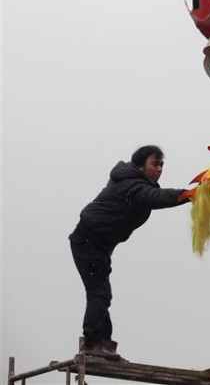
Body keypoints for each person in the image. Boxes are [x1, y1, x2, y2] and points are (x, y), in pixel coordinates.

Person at [68, 145, 189, 359]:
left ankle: (104, 345)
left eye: (162, 165)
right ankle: (92, 345)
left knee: (102, 294)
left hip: (100, 246)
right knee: (100, 293)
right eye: (155, 164)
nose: (160, 168)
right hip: (87, 242)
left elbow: (153, 196)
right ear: (141, 165)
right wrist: (191, 193)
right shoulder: (131, 186)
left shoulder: (136, 184)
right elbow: (157, 198)